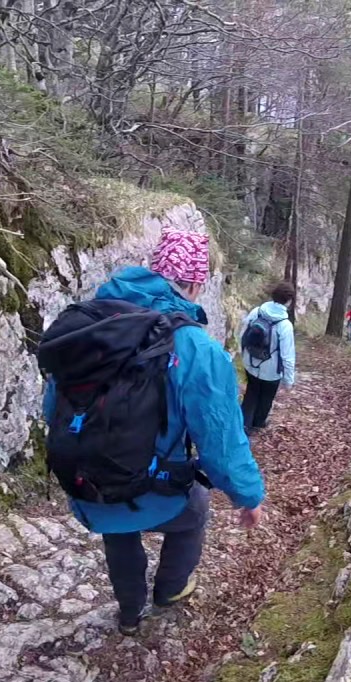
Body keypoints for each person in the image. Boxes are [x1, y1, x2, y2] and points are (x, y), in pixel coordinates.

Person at [38, 228, 266, 636]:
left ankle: (129, 611)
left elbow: (52, 406)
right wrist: (248, 495)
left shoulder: (93, 324)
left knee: (117, 528)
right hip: (157, 485)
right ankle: (171, 589)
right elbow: (220, 438)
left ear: (154, 269)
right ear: (197, 283)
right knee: (194, 511)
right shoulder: (195, 347)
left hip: (91, 480)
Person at [239, 282, 297, 433]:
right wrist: (288, 380)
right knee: (267, 396)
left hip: (250, 362)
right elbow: (287, 356)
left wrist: (243, 354)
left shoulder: (257, 312)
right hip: (271, 371)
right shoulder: (285, 325)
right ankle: (258, 423)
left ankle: (243, 423)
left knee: (251, 391)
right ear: (289, 301)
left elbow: (242, 333)